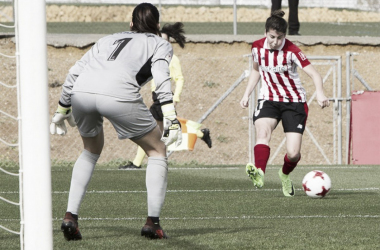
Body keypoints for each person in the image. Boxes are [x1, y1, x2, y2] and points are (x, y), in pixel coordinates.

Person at [50, 3, 181, 240]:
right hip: (118, 94)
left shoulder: (107, 39)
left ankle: (70, 216)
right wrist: (170, 115)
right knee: (157, 150)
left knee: (90, 150)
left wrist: (62, 108)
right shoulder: (160, 43)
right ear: (157, 26)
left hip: (81, 92)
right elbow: (162, 77)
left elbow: (74, 72)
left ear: (131, 23)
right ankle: (153, 223)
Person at [240, 10, 329, 197]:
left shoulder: (292, 51)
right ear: (265, 33)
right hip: (268, 100)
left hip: (293, 102)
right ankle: (260, 173)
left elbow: (314, 73)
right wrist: (247, 94)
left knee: (293, 153)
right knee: (263, 133)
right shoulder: (256, 48)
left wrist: (320, 93)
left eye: (279, 38)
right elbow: (256, 70)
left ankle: (284, 174)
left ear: (284, 36)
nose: (275, 41)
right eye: (272, 37)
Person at [119, 22, 212, 170]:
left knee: (151, 129)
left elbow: (179, 79)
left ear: (168, 42)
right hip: (157, 97)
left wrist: (175, 98)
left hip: (165, 98)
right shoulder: (154, 56)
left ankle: (137, 163)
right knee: (161, 130)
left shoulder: (172, 59)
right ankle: (201, 133)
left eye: (163, 40)